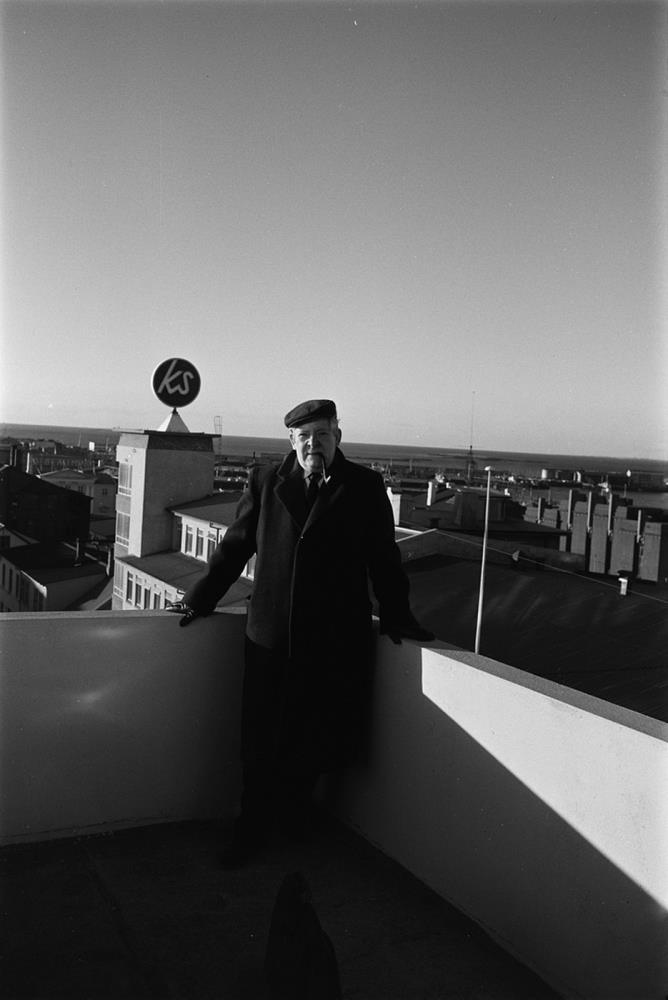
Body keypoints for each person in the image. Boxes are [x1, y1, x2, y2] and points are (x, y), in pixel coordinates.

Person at [172, 398, 433, 864]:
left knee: (314, 736)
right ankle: (250, 832)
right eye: (305, 436)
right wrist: (200, 598)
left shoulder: (365, 486)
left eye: (323, 434)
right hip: (270, 637)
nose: (314, 444)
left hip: (333, 641)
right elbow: (235, 548)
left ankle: (294, 820)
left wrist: (398, 614)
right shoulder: (267, 481)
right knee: (260, 738)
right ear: (291, 441)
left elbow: (383, 559)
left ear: (338, 437)